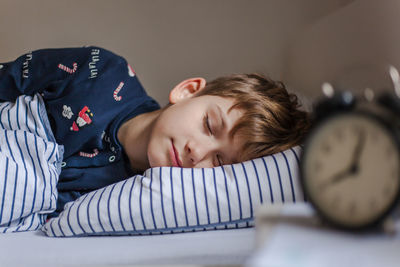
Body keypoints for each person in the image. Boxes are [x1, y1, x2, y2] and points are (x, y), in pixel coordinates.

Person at [0, 46, 310, 216]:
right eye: (209, 125)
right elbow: (9, 79)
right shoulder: (104, 73)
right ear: (188, 91)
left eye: (219, 161)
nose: (197, 152)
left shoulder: (132, 201)